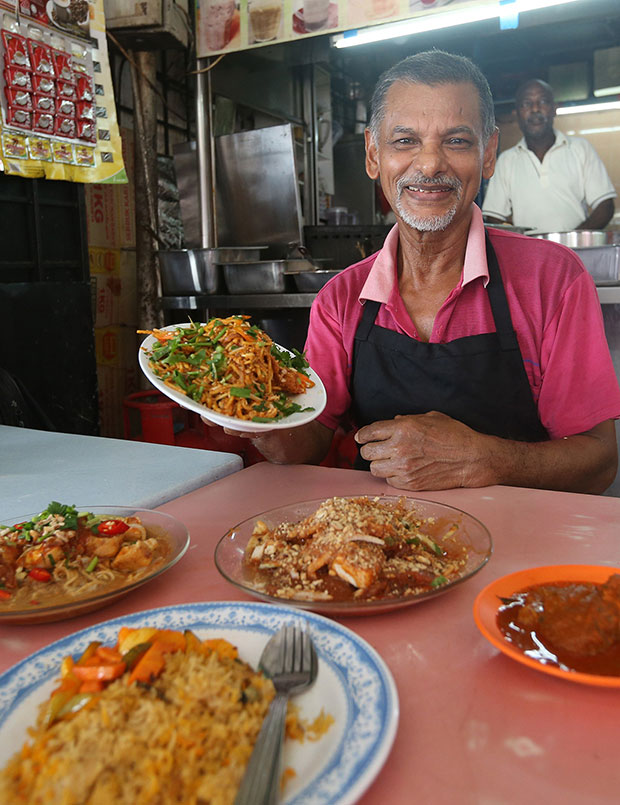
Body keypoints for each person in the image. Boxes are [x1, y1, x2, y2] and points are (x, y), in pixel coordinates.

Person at [211, 50, 620, 494]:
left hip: (523, 549)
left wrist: (486, 459)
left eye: (457, 141)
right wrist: (249, 410)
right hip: (371, 548)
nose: (428, 164)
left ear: (488, 155)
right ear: (373, 154)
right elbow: (307, 444)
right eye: (404, 141)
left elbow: (599, 462)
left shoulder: (553, 280)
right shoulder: (340, 299)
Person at [482, 78, 616, 233]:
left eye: (543, 101)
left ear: (554, 109)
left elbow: (606, 206)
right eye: (526, 103)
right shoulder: (506, 161)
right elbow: (493, 216)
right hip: (529, 255)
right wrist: (520, 244)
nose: (535, 109)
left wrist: (571, 241)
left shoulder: (580, 149)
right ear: (516, 113)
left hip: (575, 252)